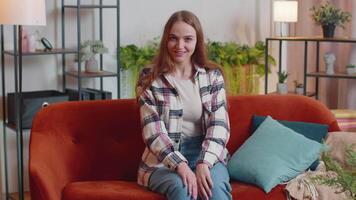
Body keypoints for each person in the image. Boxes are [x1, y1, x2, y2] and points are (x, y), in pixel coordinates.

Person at [136, 10, 232, 200]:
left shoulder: (212, 76)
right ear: (166, 40)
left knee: (216, 190)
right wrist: (180, 165)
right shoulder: (150, 79)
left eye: (188, 39)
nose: (180, 46)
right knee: (183, 189)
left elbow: (220, 126)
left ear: (197, 42)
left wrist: (204, 163)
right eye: (174, 38)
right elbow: (153, 133)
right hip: (163, 160)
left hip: (206, 152)